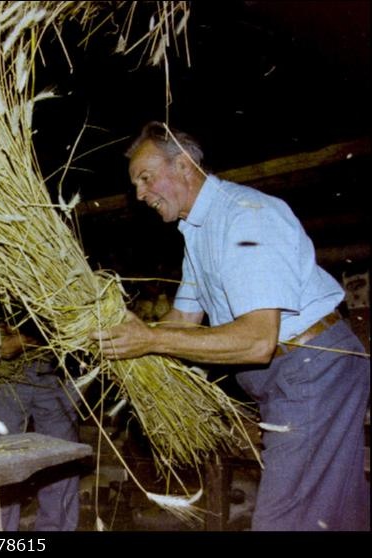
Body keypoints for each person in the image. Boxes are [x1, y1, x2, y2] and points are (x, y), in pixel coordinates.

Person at [91, 121, 370, 531]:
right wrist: (127, 341)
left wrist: (150, 340)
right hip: (291, 375)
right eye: (136, 184)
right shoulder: (198, 233)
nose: (139, 194)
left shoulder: (244, 219)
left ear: (184, 165)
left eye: (146, 178)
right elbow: (184, 321)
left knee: (284, 520)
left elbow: (258, 341)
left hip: (311, 369)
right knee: (337, 511)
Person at [0, 328, 81, 531]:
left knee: (61, 457)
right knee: (0, 459)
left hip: (57, 367)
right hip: (4, 371)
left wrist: (26, 339)